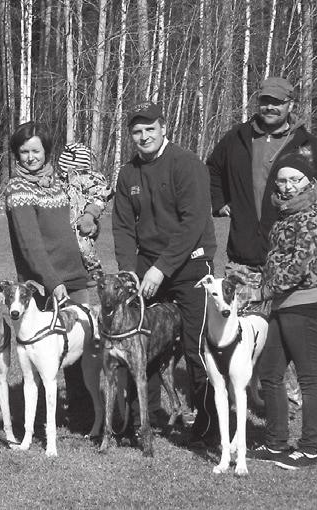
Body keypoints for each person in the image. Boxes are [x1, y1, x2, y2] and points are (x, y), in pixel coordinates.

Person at [207, 76, 317, 412]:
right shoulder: (236, 137)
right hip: (244, 252)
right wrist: (220, 201)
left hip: (289, 256)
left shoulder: (305, 144)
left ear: (290, 106)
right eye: (265, 100)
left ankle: (280, 396)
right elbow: (212, 169)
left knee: (285, 334)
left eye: (277, 102)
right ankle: (242, 394)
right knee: (242, 327)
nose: (269, 107)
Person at [112, 102, 219, 446]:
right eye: (137, 131)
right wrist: (129, 271)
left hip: (189, 266)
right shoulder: (128, 173)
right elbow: (123, 226)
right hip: (147, 268)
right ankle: (147, 420)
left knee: (196, 348)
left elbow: (194, 223)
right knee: (142, 344)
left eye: (149, 129)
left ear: (163, 128)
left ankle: (207, 425)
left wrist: (163, 267)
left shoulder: (186, 165)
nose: (143, 136)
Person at [252, 153, 317, 470]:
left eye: (294, 179)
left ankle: (310, 449)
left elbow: (297, 267)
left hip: (307, 304)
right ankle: (275, 443)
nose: (287, 186)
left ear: (308, 182)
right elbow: (276, 263)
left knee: (309, 378)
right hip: (282, 304)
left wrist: (261, 292)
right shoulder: (287, 215)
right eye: (282, 180)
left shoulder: (313, 218)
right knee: (271, 374)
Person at [5, 121, 90, 306]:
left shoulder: (58, 183)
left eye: (36, 151)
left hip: (76, 279)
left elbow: (73, 224)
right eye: (24, 151)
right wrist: (53, 282)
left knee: (86, 333)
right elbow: (30, 244)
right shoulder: (18, 188)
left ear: (46, 151)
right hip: (44, 285)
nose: (30, 158)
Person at [57, 138, 111, 276]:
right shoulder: (58, 180)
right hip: (62, 222)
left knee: (83, 241)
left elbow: (101, 195)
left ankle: (93, 268)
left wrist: (90, 215)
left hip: (81, 220)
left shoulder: (90, 178)